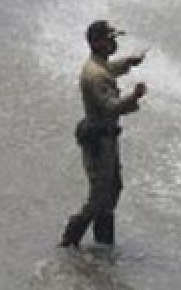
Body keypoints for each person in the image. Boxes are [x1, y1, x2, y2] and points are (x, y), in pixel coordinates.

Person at [59, 20, 147, 248]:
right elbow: (111, 106)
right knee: (99, 196)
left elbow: (110, 69)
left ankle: (104, 242)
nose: (114, 43)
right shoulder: (95, 75)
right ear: (97, 43)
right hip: (99, 141)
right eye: (110, 40)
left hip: (106, 137)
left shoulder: (99, 66)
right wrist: (134, 97)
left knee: (114, 188)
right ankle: (70, 239)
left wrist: (130, 62)